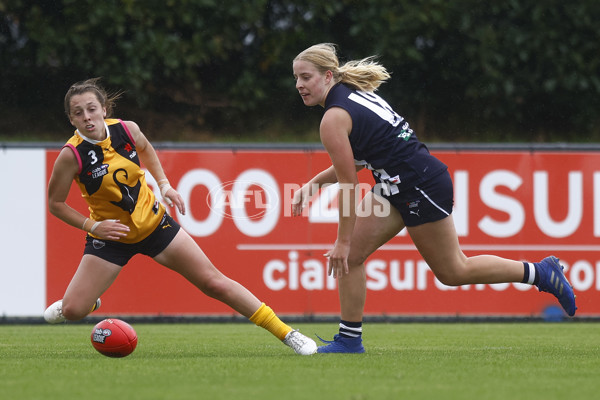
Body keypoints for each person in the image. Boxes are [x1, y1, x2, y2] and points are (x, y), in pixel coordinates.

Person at [291, 43, 577, 354]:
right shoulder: (350, 95)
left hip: (420, 184)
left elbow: (349, 184)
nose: (299, 86)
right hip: (395, 184)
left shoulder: (333, 118)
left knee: (453, 270)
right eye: (296, 78)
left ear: (328, 75)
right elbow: (363, 159)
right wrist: (315, 184)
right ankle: (348, 341)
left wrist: (341, 241)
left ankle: (541, 272)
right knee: (352, 259)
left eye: (306, 77)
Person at [43, 78, 317, 356]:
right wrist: (93, 226)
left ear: (104, 108)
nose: (87, 117)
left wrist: (164, 186)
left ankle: (288, 333)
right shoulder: (71, 155)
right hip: (112, 236)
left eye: (91, 108)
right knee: (73, 310)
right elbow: (55, 203)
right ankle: (89, 302)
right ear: (71, 119)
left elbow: (147, 150)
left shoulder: (127, 130)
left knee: (214, 283)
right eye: (78, 113)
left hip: (155, 225)